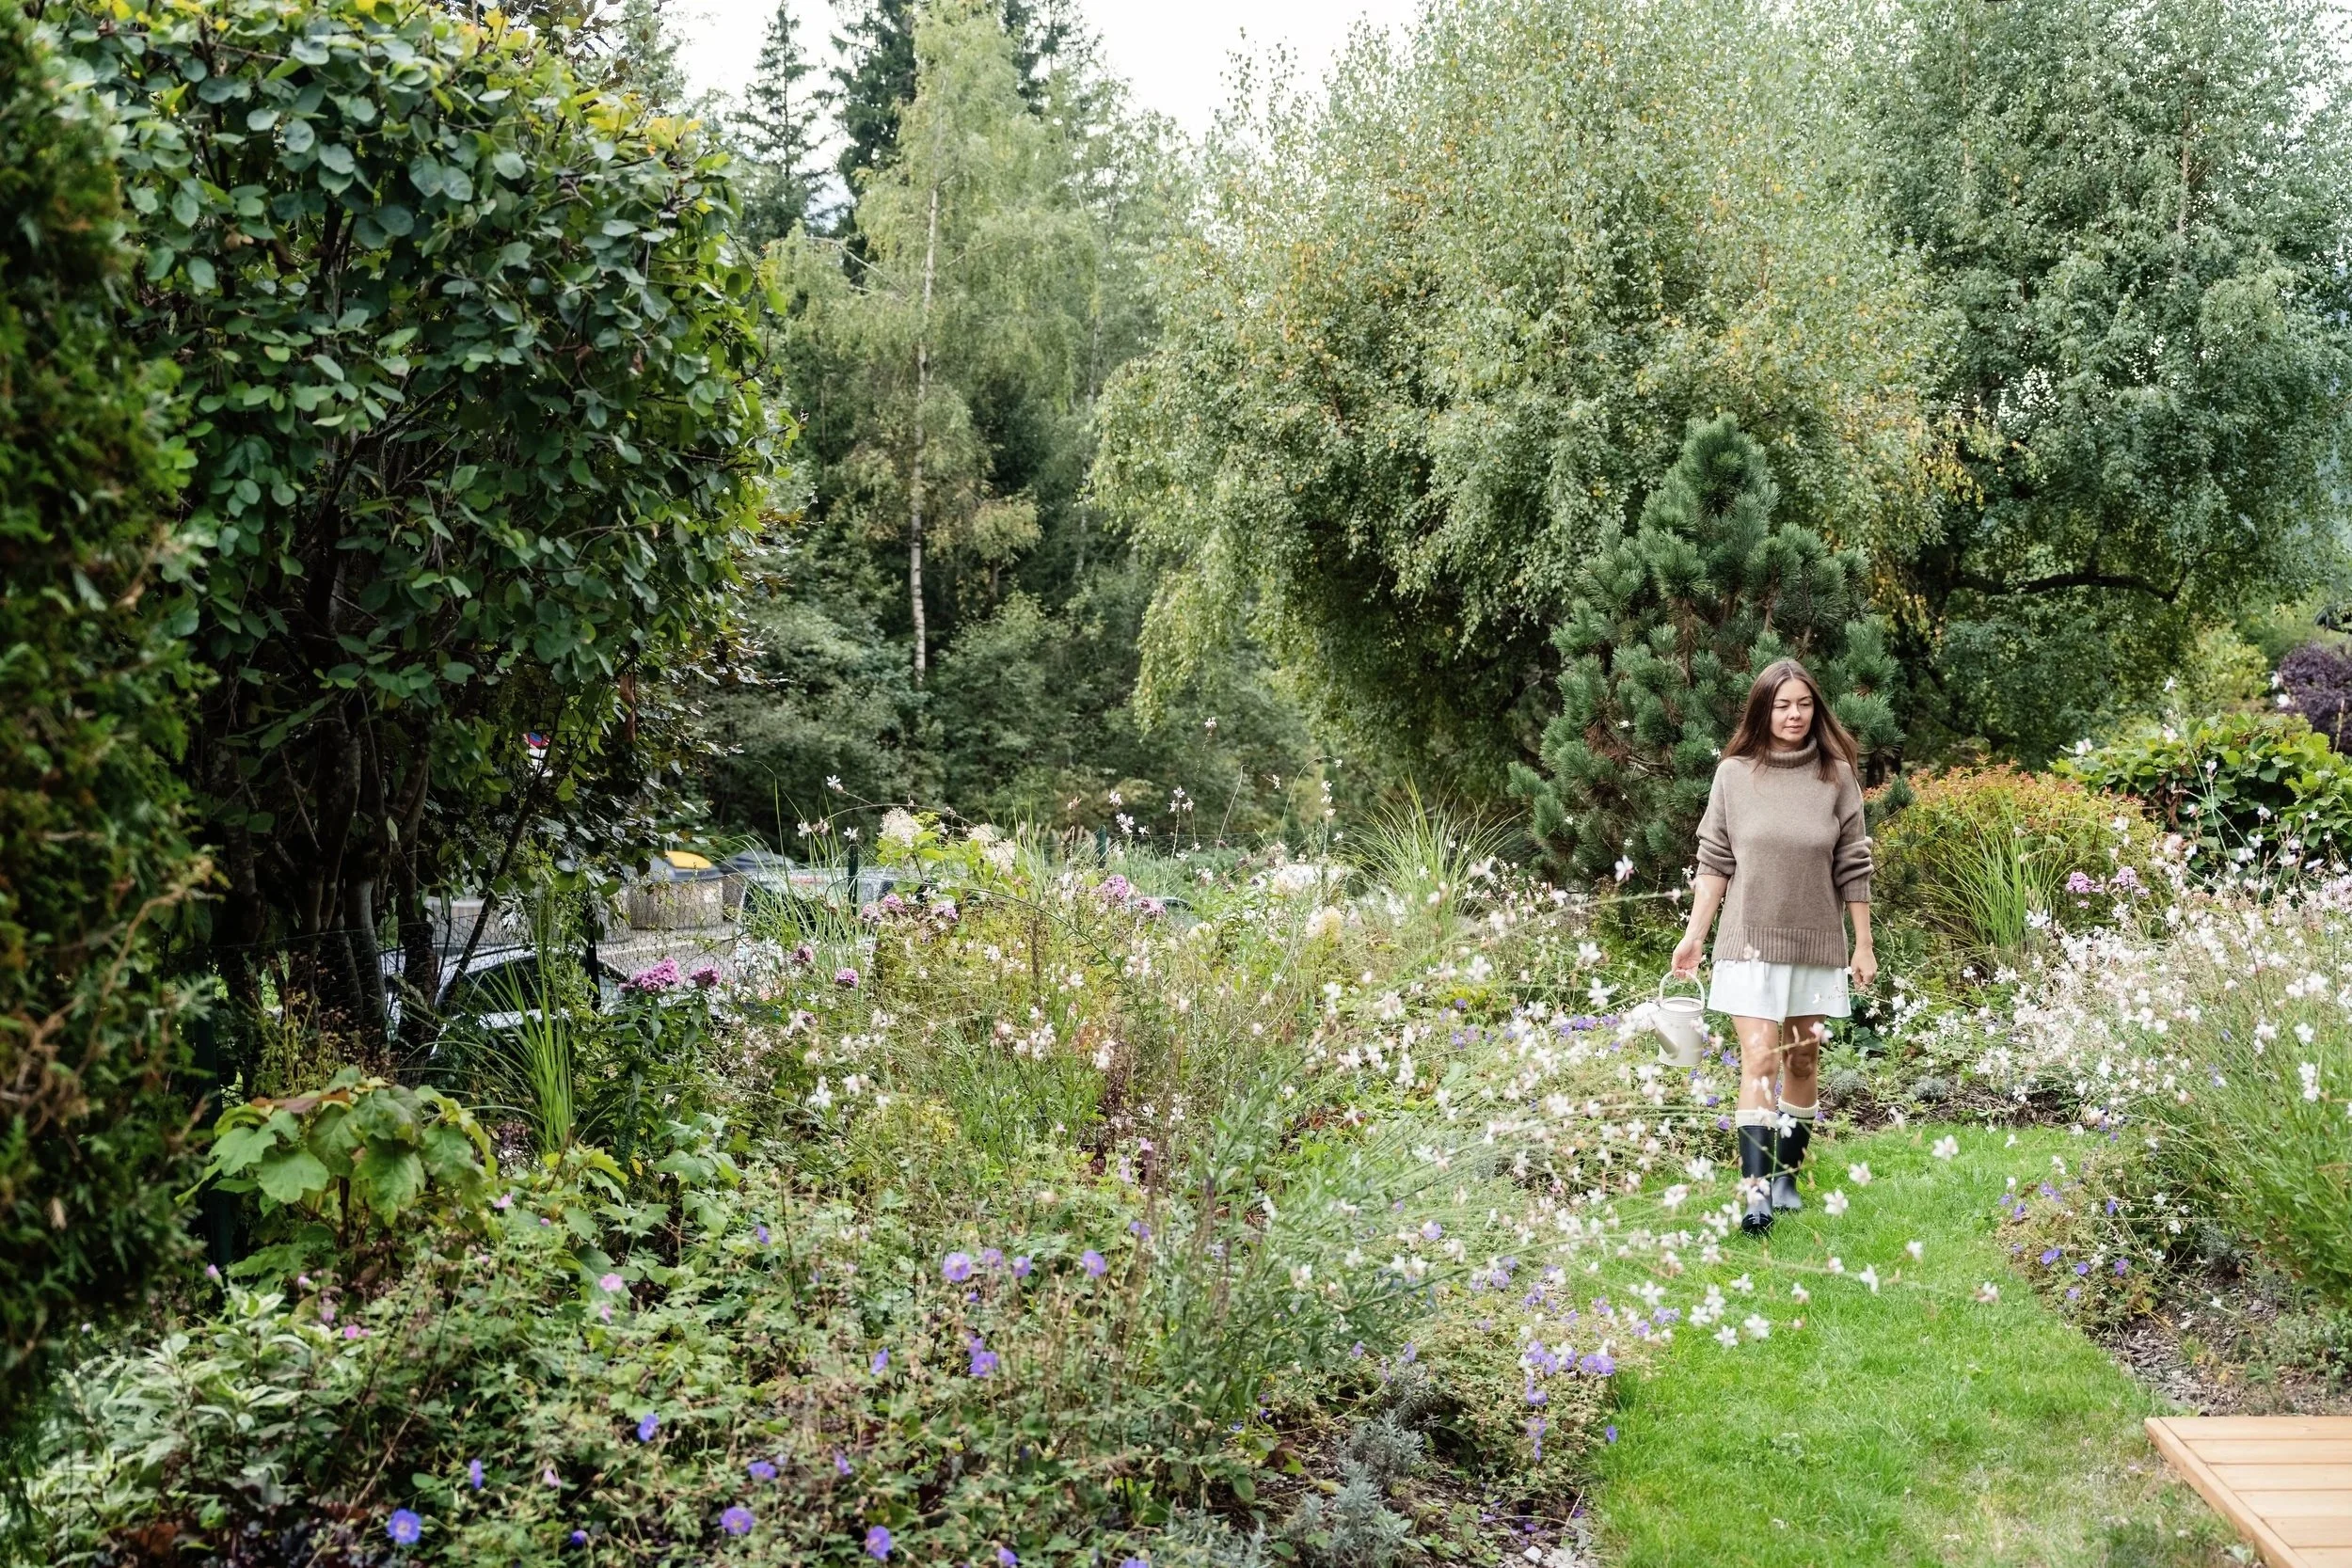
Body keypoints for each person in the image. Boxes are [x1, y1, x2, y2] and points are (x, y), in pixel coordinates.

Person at [1669, 658, 1875, 1235]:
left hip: (1816, 941)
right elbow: (1714, 863)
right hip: (1747, 941)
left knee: (1803, 1057)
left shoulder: (1836, 777)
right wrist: (1694, 937)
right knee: (1760, 1058)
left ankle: (1786, 1176)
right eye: (1782, 705)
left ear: (1816, 709)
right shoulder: (1734, 775)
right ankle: (1754, 1192)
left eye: (1803, 704)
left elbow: (1853, 864)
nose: (1793, 714)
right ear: (1764, 710)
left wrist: (1862, 944)